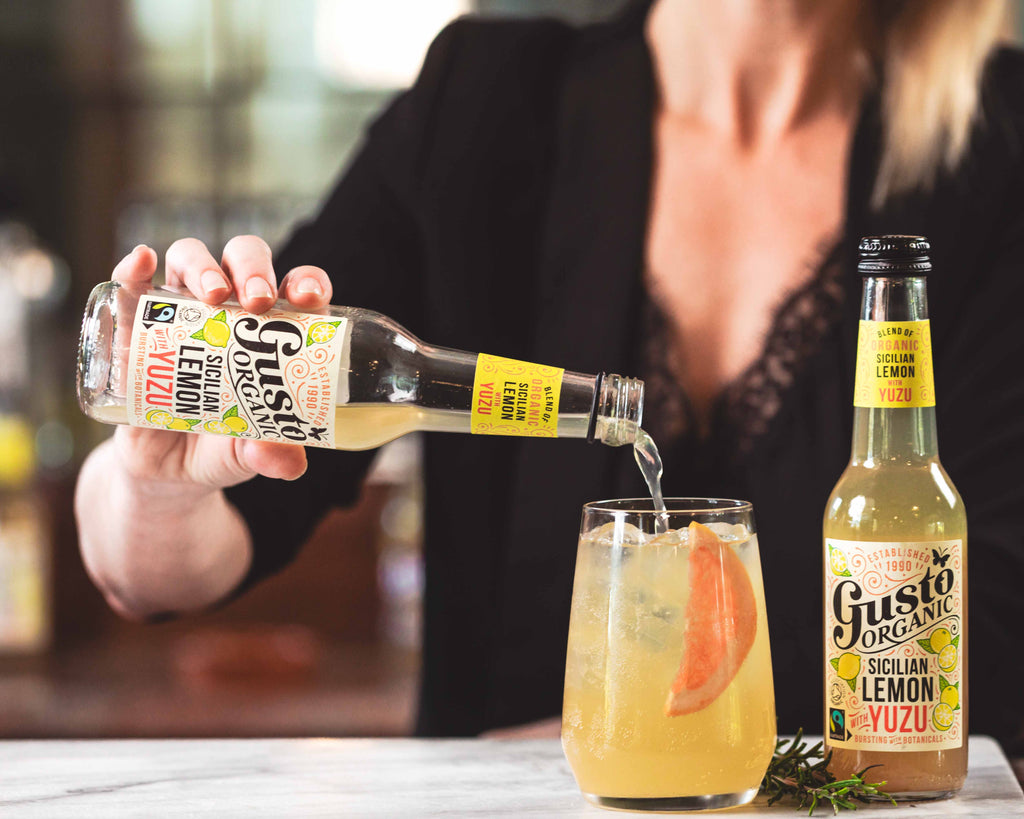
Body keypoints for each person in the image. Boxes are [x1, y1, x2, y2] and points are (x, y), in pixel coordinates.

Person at [76, 0, 1024, 750]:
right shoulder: (486, 105)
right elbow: (161, 569)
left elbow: (994, 636)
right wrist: (154, 489)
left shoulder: (1000, 153)